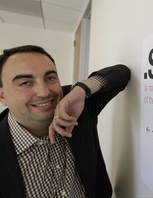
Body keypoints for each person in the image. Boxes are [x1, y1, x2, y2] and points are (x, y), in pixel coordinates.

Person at [0, 45, 130, 197]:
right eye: (25, 83)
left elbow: (121, 74)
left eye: (50, 78)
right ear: (2, 96)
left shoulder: (75, 103)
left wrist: (82, 90)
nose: (44, 92)